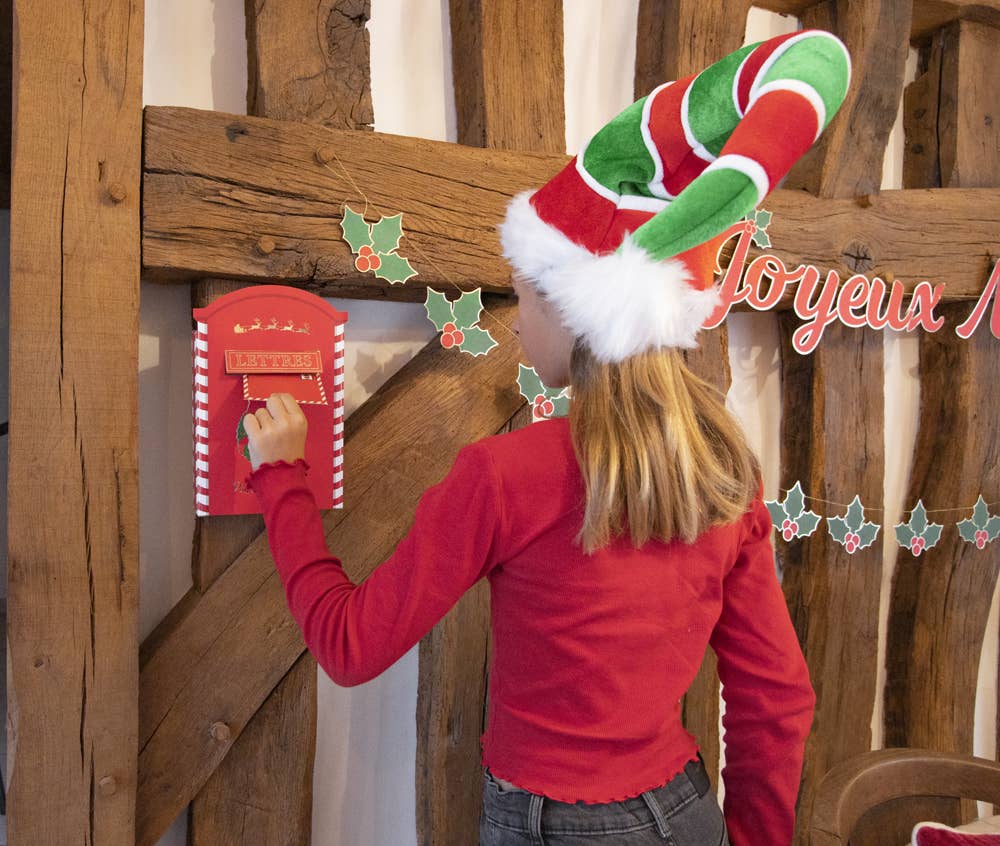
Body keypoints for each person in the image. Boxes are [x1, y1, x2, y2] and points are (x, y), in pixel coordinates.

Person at [243, 29, 851, 846]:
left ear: (574, 311)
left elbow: (350, 645)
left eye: (524, 295)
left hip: (550, 828)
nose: (518, 319)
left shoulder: (505, 474)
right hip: (679, 816)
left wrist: (283, 482)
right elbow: (777, 696)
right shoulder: (723, 473)